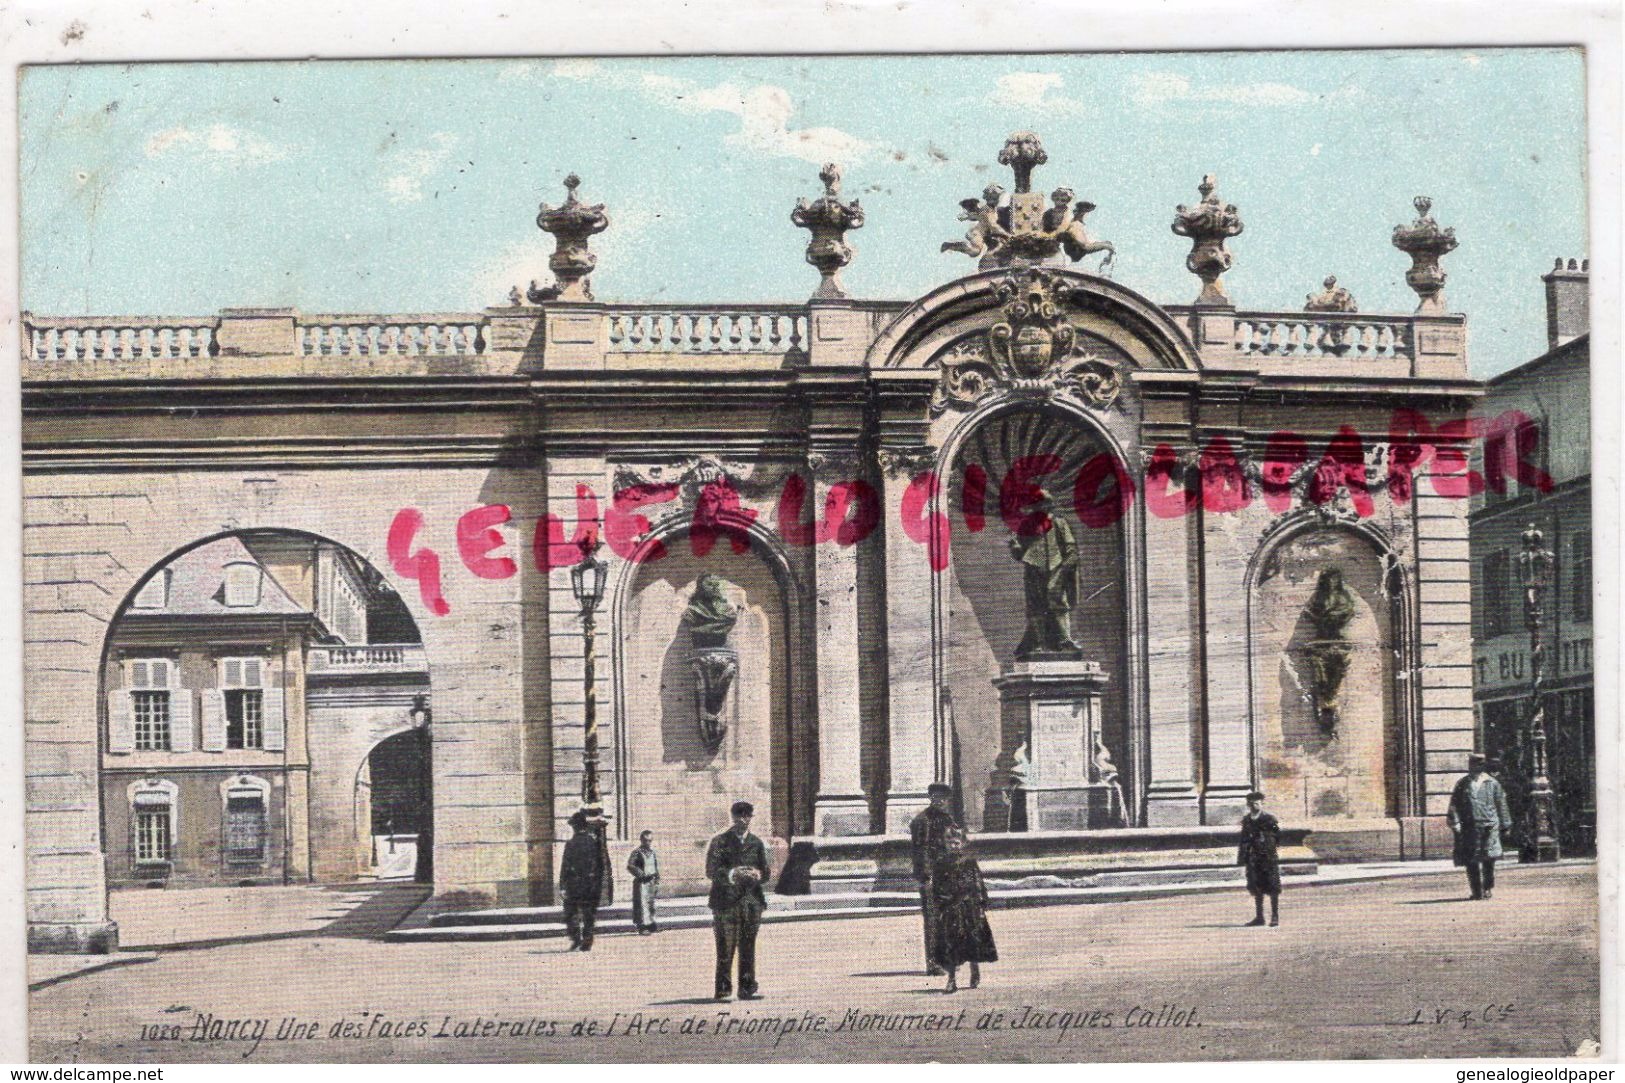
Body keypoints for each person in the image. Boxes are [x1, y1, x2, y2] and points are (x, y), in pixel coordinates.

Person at [706, 800, 771, 1000]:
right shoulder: (720, 842)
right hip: (726, 903)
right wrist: (733, 873)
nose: (743, 820)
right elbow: (711, 870)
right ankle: (724, 989)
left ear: (751, 818)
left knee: (748, 946)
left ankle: (747, 987)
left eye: (747, 816)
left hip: (751, 902)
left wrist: (757, 874)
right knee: (725, 947)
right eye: (739, 816)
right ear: (733, 818)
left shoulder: (756, 843)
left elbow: (766, 872)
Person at [932, 830, 997, 993]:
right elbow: (937, 886)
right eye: (950, 843)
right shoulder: (940, 863)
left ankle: (974, 968)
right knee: (950, 943)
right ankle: (951, 980)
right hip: (951, 907)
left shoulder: (969, 862)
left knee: (972, 940)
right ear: (945, 845)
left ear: (962, 844)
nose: (953, 846)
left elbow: (977, 883)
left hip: (970, 907)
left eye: (956, 843)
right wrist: (941, 903)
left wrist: (981, 904)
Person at [910, 782, 959, 976]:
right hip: (931, 877)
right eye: (936, 797)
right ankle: (932, 963)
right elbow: (920, 851)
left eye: (943, 798)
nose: (939, 801)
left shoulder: (947, 819)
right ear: (930, 798)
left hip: (947, 876)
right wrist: (925, 877)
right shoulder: (922, 821)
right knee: (932, 920)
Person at [1448, 753, 1513, 900]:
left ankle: (1488, 888)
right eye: (1473, 765)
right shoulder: (1462, 783)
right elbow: (1454, 805)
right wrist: (1455, 822)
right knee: (1471, 860)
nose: (1476, 768)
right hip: (1470, 827)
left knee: (1489, 858)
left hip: (1490, 826)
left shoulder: (1492, 783)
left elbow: (1501, 804)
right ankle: (1476, 890)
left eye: (1479, 765)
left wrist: (1506, 825)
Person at [558, 804, 612, 951]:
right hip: (590, 885)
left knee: (571, 913)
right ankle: (587, 940)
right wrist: (599, 884)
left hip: (573, 885)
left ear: (575, 827)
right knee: (589, 914)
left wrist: (562, 886)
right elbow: (601, 865)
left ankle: (575, 938)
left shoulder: (570, 844)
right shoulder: (594, 843)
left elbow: (565, 867)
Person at [1237, 791, 1282, 926]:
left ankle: (1275, 917)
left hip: (1268, 858)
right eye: (1251, 803)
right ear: (1248, 804)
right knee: (1257, 887)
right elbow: (1243, 839)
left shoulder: (1269, 819)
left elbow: (1277, 835)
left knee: (1273, 886)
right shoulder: (1247, 820)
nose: (1254, 805)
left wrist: (1269, 847)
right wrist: (1243, 856)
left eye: (1257, 803)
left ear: (1262, 804)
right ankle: (1259, 917)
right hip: (1254, 858)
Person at [627, 830, 661, 935]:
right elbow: (630, 866)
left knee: (650, 903)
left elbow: (655, 866)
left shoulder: (652, 852)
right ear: (641, 840)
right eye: (646, 840)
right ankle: (642, 926)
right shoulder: (637, 852)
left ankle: (650, 924)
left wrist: (657, 878)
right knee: (642, 904)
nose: (648, 843)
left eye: (650, 841)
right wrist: (641, 874)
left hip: (651, 881)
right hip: (641, 882)